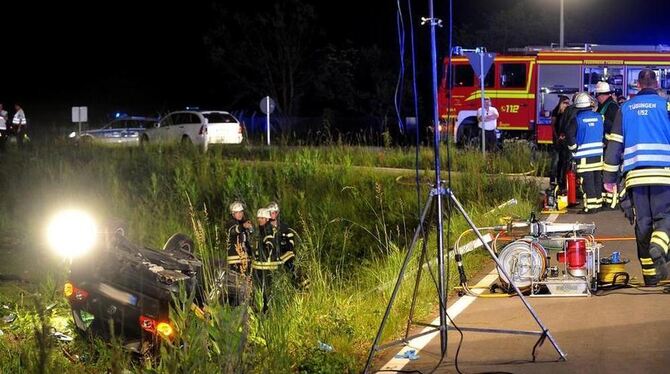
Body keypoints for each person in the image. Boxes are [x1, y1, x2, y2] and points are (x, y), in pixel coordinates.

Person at [604, 69, 670, 286]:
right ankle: (659, 247)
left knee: (643, 224)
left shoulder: (625, 108)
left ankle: (651, 277)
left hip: (635, 177)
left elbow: (614, 144)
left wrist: (609, 178)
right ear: (657, 84)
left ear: (638, 85)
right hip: (664, 174)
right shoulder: (666, 106)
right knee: (665, 218)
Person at [566, 92, 604, 214]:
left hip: (583, 157)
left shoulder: (576, 120)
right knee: (597, 180)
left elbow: (570, 137)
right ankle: (598, 204)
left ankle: (590, 207)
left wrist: (573, 150)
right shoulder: (599, 117)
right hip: (599, 156)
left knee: (586, 182)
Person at [594, 82, 620, 208]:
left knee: (611, 174)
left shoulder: (612, 107)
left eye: (598, 95)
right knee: (605, 174)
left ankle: (612, 201)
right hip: (605, 145)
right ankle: (606, 199)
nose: (597, 98)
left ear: (602, 95)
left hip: (610, 145)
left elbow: (613, 126)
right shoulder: (604, 106)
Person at [251, 208, 278, 312]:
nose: (260, 220)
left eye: (262, 218)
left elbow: (270, 242)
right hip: (259, 265)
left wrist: (268, 247)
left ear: (267, 219)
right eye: (258, 218)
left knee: (265, 288)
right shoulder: (261, 229)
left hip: (267, 265)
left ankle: (266, 310)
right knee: (260, 288)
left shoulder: (268, 229)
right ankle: (262, 308)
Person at [225, 201, 254, 275]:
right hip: (235, 258)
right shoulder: (230, 223)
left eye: (241, 212)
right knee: (236, 279)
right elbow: (233, 231)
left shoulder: (243, 222)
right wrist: (243, 226)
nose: (240, 214)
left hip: (245, 257)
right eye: (237, 212)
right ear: (233, 213)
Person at [549, 95, 571, 190]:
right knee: (556, 160)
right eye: (565, 103)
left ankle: (561, 179)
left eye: (568, 103)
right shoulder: (556, 111)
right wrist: (556, 137)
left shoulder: (567, 112)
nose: (567, 105)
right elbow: (553, 125)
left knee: (563, 160)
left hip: (564, 139)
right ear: (561, 103)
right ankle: (553, 179)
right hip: (557, 139)